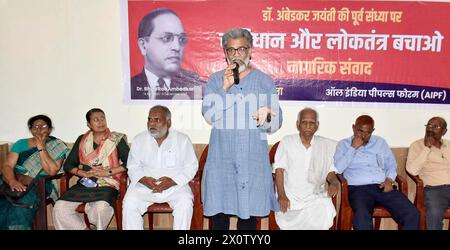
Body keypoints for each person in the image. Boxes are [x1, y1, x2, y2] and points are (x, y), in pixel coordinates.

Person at [201, 28, 283, 230]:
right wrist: (224, 89)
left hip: (251, 158)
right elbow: (210, 115)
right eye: (231, 50)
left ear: (250, 51)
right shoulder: (215, 80)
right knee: (218, 214)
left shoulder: (264, 82)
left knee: (248, 215)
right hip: (222, 158)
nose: (236, 55)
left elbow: (276, 124)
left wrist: (268, 116)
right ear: (225, 53)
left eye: (241, 49)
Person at [334, 115, 420, 230]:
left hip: (382, 186)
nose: (363, 135)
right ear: (354, 128)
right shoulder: (343, 144)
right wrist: (353, 148)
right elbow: (338, 169)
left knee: (412, 213)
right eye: (360, 131)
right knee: (362, 217)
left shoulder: (380, 143)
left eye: (368, 132)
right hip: (358, 189)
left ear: (372, 131)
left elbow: (391, 164)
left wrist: (389, 179)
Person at [122, 105, 198, 230]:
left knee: (185, 203)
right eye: (149, 119)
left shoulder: (182, 140)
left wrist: (172, 181)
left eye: (157, 120)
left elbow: (191, 166)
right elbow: (132, 166)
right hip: (144, 186)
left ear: (168, 122)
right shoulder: (139, 140)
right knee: (130, 204)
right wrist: (143, 179)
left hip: (174, 186)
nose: (152, 123)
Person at [52, 108, 129, 230]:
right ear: (89, 124)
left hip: (108, 183)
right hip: (86, 183)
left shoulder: (116, 139)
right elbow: (68, 165)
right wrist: (81, 173)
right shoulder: (82, 140)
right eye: (95, 119)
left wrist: (107, 172)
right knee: (60, 207)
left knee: (100, 208)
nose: (100, 122)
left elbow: (130, 163)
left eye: (102, 118)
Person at [273, 108, 339, 230]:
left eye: (312, 122)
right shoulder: (287, 142)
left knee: (324, 205)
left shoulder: (325, 145)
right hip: (290, 197)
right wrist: (281, 195)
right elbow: (279, 170)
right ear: (298, 124)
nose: (308, 126)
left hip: (314, 196)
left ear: (317, 125)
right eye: (304, 122)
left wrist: (334, 183)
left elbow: (330, 172)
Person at [0, 114, 68, 230]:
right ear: (31, 130)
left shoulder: (57, 145)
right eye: (35, 127)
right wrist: (12, 181)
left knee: (24, 201)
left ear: (50, 129)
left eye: (43, 126)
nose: (39, 129)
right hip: (15, 179)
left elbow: (51, 171)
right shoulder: (20, 143)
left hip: (40, 184)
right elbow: (7, 165)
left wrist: (41, 147)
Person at [131, 8, 204, 100]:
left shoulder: (195, 86)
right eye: (166, 38)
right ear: (143, 45)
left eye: (181, 39)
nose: (177, 47)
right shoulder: (129, 87)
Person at [406, 116, 450, 230]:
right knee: (434, 212)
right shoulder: (417, 146)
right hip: (434, 189)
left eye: (436, 126)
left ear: (444, 131)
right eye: (429, 125)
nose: (430, 129)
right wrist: (427, 148)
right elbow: (412, 170)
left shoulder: (449, 145)